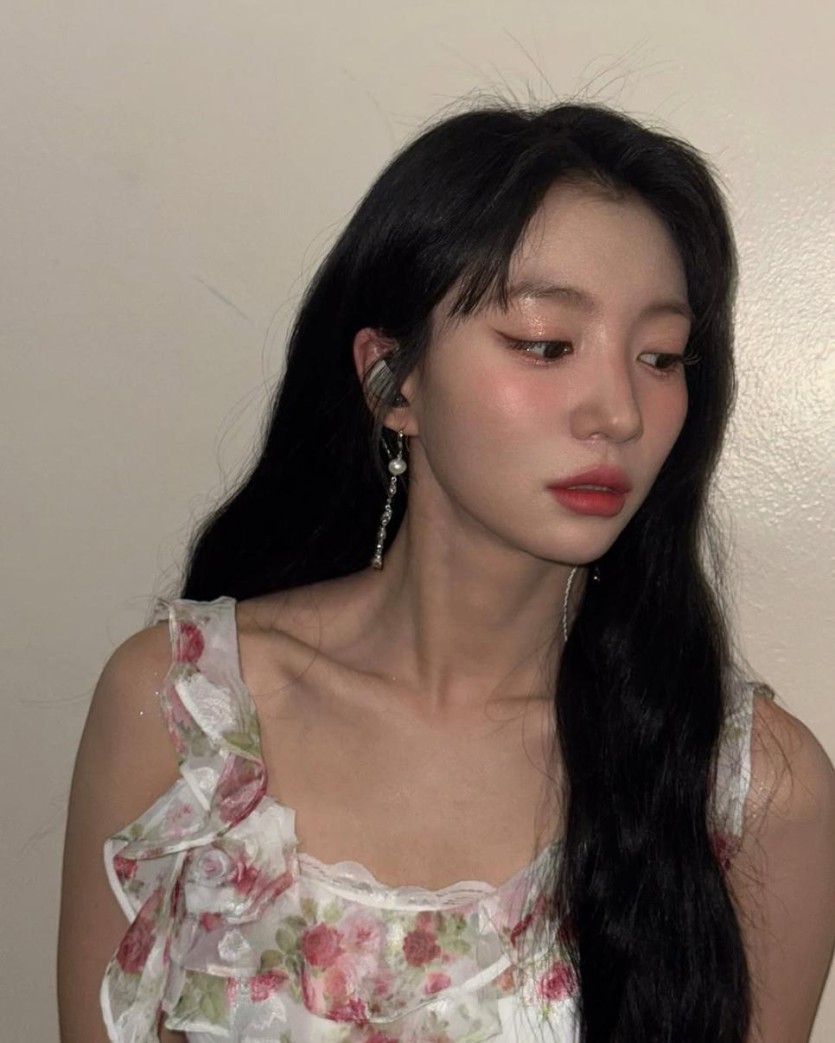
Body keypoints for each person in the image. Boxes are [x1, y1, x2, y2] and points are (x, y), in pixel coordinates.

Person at [58, 101, 835, 1043]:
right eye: (545, 344)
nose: (619, 412)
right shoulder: (187, 714)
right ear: (393, 381)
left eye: (659, 356)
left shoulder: (746, 787)